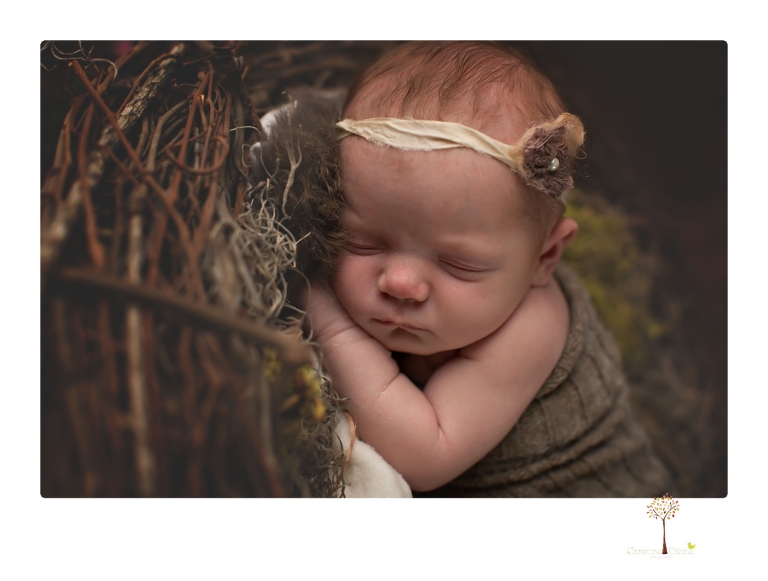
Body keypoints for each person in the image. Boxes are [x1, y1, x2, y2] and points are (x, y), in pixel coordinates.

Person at [303, 41, 669, 496]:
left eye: (459, 265)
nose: (400, 282)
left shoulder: (533, 328)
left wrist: (329, 320)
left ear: (545, 259)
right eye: (363, 242)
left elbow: (425, 455)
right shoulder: (464, 297)